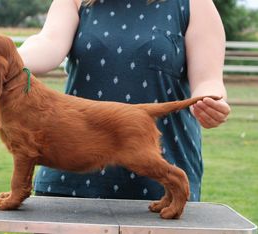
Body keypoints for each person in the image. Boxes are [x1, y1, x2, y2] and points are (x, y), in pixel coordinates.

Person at [17, 0, 231, 201]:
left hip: (162, 173)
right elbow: (49, 43)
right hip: (71, 173)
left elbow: (208, 79)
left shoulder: (194, 4)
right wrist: (10, 60)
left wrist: (211, 101)